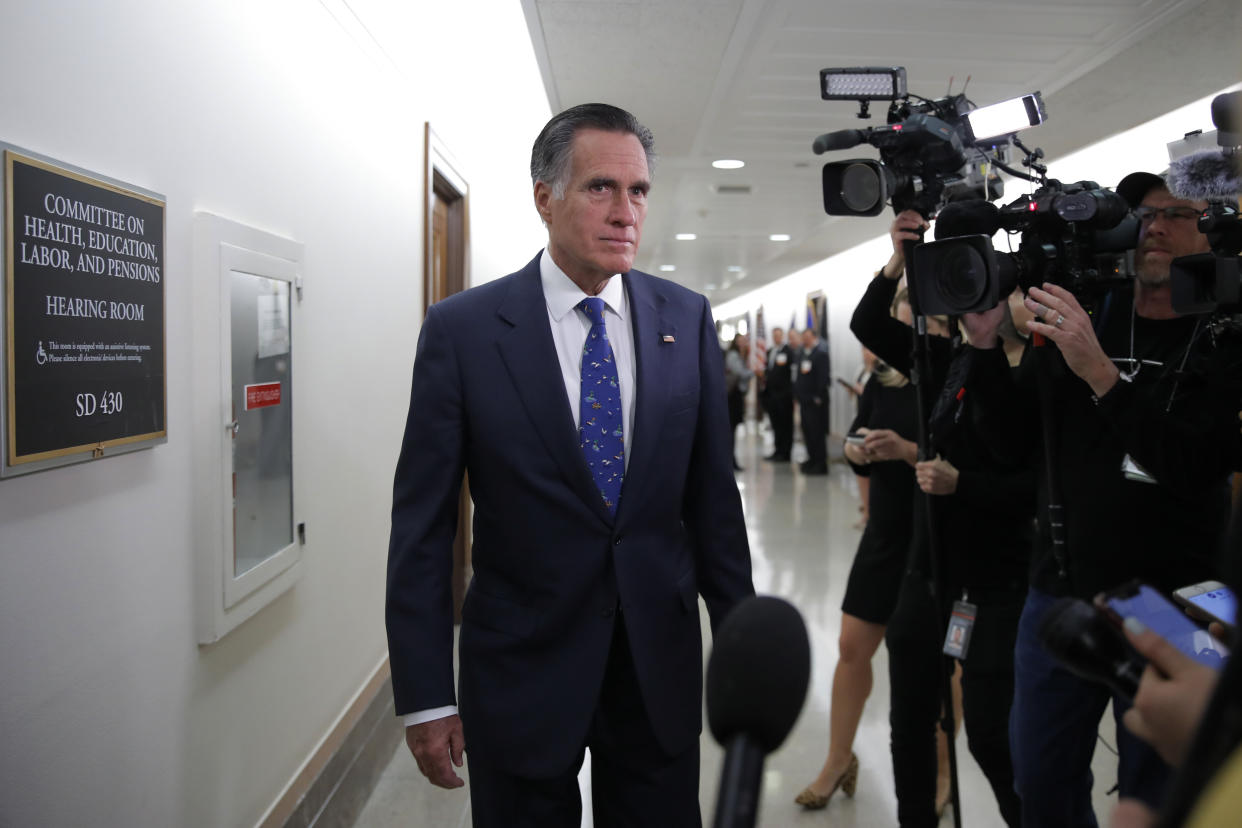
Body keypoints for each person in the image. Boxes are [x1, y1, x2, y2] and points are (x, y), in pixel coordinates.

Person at [385, 102, 754, 828]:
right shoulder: (463, 332)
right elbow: (423, 528)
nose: (626, 212)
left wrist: (744, 659)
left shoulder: (686, 318)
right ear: (544, 197)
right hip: (520, 669)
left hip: (656, 671)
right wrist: (428, 694)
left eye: (639, 191)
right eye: (601, 189)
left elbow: (714, 508)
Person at [961, 171, 1242, 825]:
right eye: (1147, 216)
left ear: (1219, 232)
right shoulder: (1096, 311)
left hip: (1179, 601)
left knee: (1159, 783)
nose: (1157, 228)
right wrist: (981, 346)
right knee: (1039, 779)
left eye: (1178, 215)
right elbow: (1009, 445)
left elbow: (1191, 464)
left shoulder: (1225, 336)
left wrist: (1100, 372)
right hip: (1059, 587)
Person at [852, 220, 1033, 826]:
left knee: (988, 733)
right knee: (910, 723)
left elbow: (1024, 474)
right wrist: (899, 261)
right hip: (927, 576)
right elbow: (869, 325)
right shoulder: (944, 359)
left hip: (994, 585)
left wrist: (963, 484)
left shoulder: (1037, 368)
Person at [795, 289, 919, 812]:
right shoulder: (882, 379)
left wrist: (910, 452)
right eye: (899, 313)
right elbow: (856, 444)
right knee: (851, 647)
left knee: (935, 666)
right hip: (886, 530)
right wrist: (856, 449)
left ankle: (937, 769)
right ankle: (838, 758)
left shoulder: (959, 371)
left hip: (937, 534)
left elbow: (974, 456)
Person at [796, 327, 831, 474]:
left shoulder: (820, 355)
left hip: (816, 403)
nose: (805, 340)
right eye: (803, 337)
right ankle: (811, 459)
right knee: (808, 432)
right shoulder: (803, 355)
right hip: (804, 402)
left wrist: (816, 397)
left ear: (814, 337)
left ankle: (820, 463)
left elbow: (823, 379)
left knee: (817, 433)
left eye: (807, 337)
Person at [763, 326, 796, 461]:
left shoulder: (788, 351)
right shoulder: (770, 351)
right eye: (774, 335)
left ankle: (785, 452)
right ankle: (777, 450)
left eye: (779, 335)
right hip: (772, 395)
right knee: (775, 424)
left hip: (784, 396)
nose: (777, 337)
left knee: (785, 424)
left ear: (782, 336)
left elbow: (792, 373)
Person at [724, 333, 753, 471]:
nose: (743, 343)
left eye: (744, 341)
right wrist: (754, 372)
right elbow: (739, 372)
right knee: (730, 430)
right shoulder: (733, 355)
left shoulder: (741, 356)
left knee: (732, 430)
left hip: (736, 396)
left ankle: (731, 461)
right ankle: (730, 461)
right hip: (732, 397)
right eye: (740, 341)